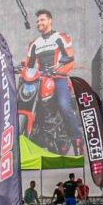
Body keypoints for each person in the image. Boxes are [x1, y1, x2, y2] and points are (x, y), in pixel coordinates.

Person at [22, 9, 84, 155]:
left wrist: (59, 70)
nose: (39, 23)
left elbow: (70, 58)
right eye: (37, 21)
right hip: (40, 80)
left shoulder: (60, 37)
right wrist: (21, 68)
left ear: (50, 21)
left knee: (64, 106)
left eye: (42, 20)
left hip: (58, 78)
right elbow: (29, 65)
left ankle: (77, 139)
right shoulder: (34, 43)